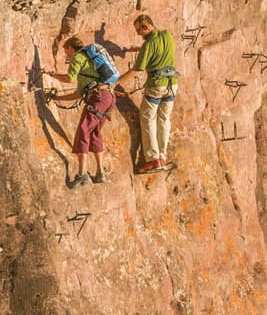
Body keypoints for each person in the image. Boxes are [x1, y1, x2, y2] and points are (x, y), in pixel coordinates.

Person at [51, 26, 119, 187]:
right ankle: (100, 173)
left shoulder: (78, 57)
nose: (66, 55)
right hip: (107, 97)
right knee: (94, 133)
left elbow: (69, 78)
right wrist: (56, 98)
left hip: (98, 97)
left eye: (66, 51)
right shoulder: (89, 65)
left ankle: (82, 174)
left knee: (83, 130)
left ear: (70, 48)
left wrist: (51, 74)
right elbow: (78, 93)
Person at [118, 13, 178, 173]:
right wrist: (138, 49)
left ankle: (153, 159)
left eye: (139, 31)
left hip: (156, 85)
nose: (138, 34)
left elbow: (137, 70)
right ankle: (162, 157)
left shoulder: (148, 45)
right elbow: (158, 49)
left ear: (146, 27)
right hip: (172, 85)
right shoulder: (167, 35)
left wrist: (115, 82)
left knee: (147, 118)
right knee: (164, 119)